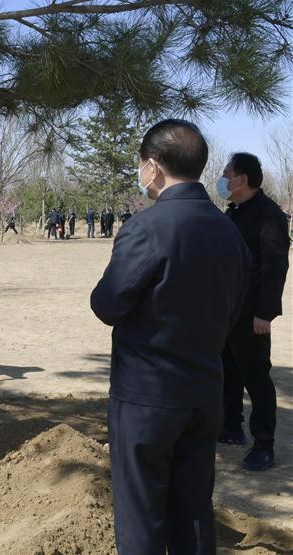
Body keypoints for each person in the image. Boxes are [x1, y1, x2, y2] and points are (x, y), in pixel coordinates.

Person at [91, 119, 250, 553]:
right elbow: (235, 309)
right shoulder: (229, 231)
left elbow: (107, 304)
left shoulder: (146, 228)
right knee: (194, 511)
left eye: (141, 165)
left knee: (141, 513)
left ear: (154, 166)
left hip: (148, 396)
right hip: (204, 391)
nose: (141, 173)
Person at [217, 152, 290, 470]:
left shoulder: (268, 215)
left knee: (255, 377)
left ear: (241, 178)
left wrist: (265, 313)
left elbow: (276, 266)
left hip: (251, 313)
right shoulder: (233, 211)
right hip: (226, 310)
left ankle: (264, 445)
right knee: (227, 371)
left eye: (226, 173)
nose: (222, 179)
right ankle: (231, 426)